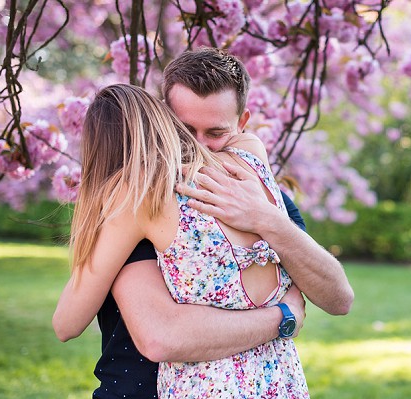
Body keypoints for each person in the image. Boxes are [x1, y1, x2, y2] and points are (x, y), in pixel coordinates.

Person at [71, 48, 354, 399]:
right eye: (185, 130)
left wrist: (267, 220)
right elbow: (161, 336)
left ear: (242, 122)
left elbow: (339, 298)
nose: (198, 146)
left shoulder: (261, 194)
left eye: (216, 132)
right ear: (164, 117)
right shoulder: (146, 197)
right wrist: (283, 316)